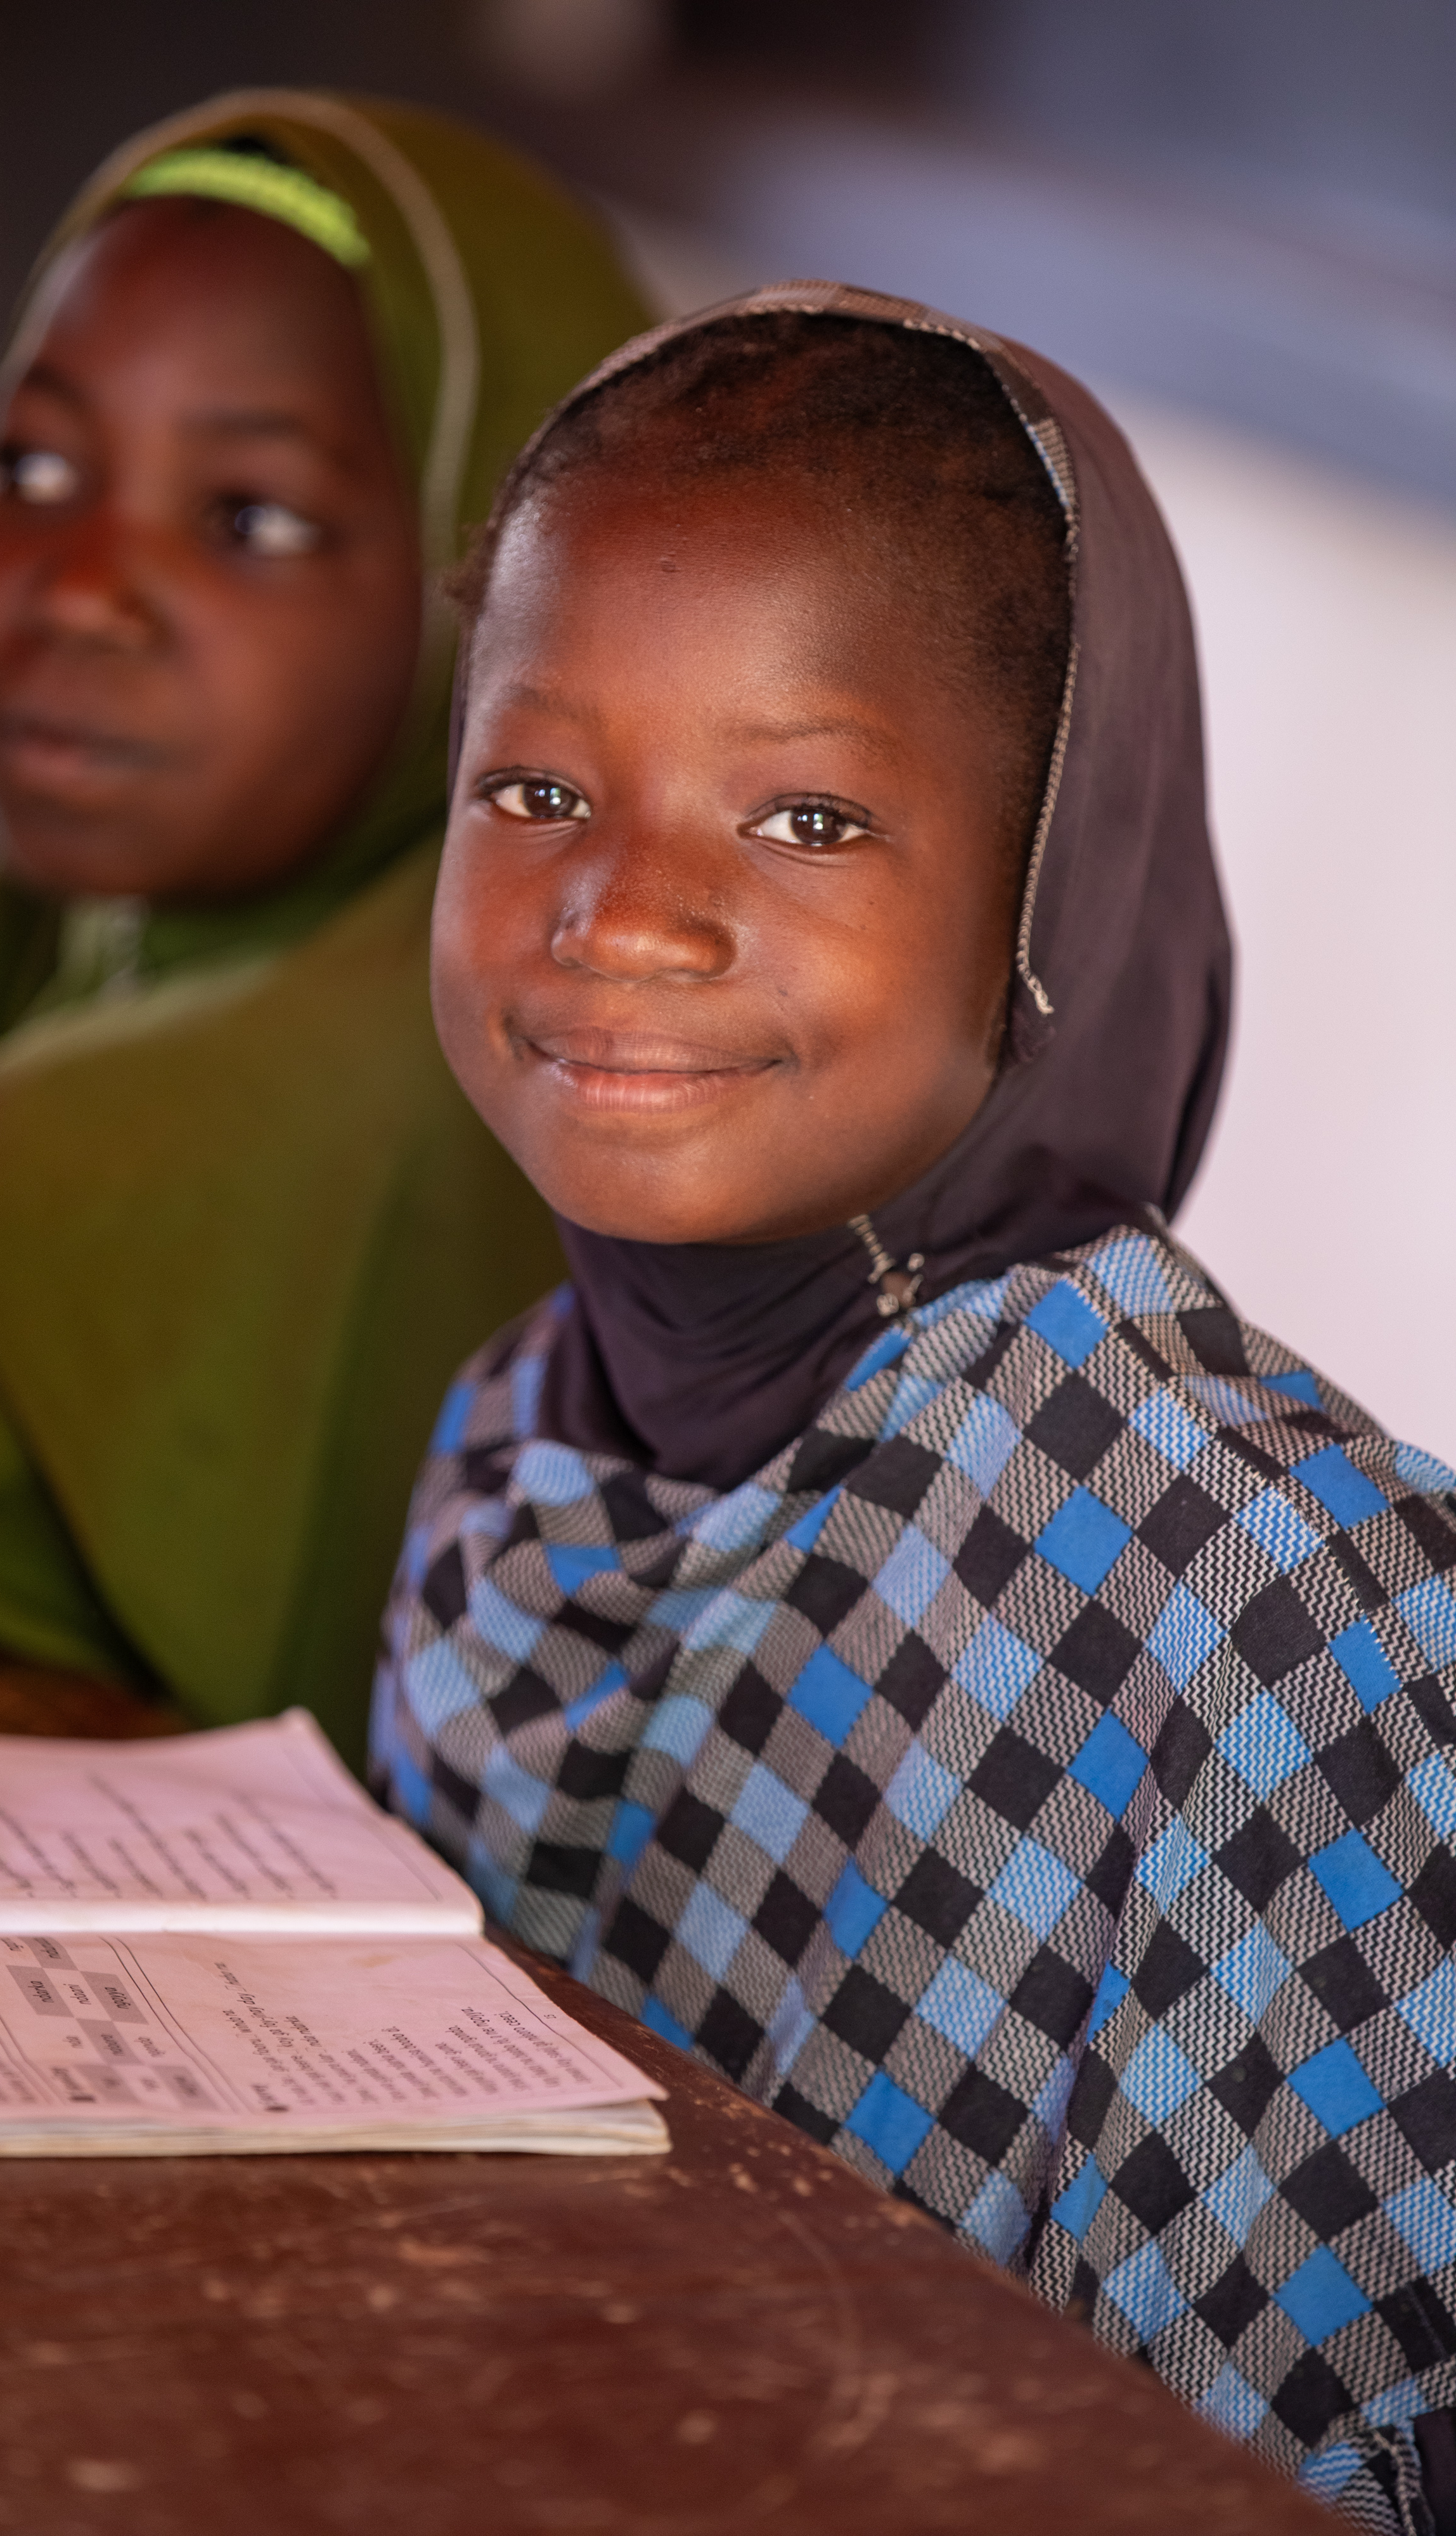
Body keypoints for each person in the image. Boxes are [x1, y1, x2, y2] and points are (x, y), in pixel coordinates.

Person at [373, 287, 1456, 2526]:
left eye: (804, 816)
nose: (622, 913)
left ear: (1051, 893)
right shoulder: (516, 1440)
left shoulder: (1290, 1608)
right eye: (538, 789)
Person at [0, 91, 650, 1758]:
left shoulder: (368, 1082)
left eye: (250, 519)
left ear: (510, 607)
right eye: (33, 468)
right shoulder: (83, 977)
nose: (79, 589)